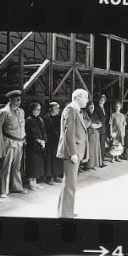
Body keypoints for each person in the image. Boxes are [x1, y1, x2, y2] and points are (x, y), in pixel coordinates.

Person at [56, 89, 91, 217]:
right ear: (77, 98)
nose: (87, 100)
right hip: (72, 152)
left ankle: (65, 211)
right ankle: (66, 214)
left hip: (75, 151)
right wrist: (72, 153)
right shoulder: (70, 110)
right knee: (70, 184)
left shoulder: (75, 110)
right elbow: (68, 132)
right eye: (85, 97)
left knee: (68, 183)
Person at [0, 90, 28, 195]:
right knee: (6, 167)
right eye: (16, 100)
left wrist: (23, 137)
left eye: (19, 100)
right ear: (10, 100)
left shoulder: (21, 111)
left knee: (17, 167)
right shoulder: (4, 112)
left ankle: (17, 187)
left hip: (19, 142)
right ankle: (3, 190)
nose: (18, 102)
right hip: (9, 142)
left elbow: (22, 126)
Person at [22, 102, 47, 193]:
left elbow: (44, 131)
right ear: (32, 110)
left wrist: (44, 140)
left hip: (40, 145)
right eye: (37, 109)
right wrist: (39, 140)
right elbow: (31, 133)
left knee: (37, 164)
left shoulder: (40, 120)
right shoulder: (29, 120)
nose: (39, 111)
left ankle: (35, 181)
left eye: (39, 110)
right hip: (32, 145)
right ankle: (30, 182)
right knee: (32, 164)